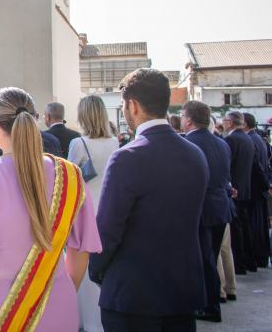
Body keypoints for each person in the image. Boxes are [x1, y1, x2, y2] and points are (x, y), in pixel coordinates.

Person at [0, 87, 100, 331]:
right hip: (55, 302)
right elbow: (80, 252)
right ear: (34, 121)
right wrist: (53, 290)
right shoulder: (70, 176)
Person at [89, 69, 208, 332]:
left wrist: (96, 271)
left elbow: (107, 231)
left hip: (133, 298)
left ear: (132, 105)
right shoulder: (195, 154)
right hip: (182, 292)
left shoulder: (128, 157)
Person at [67, 95, 119, 332]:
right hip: (108, 208)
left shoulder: (79, 144)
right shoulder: (115, 142)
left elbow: (69, 181)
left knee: (83, 270)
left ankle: (85, 321)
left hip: (85, 211)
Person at [182, 101, 234, 323]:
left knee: (203, 259)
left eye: (183, 115)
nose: (182, 119)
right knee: (209, 257)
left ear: (190, 119)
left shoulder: (187, 144)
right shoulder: (221, 143)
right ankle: (211, 302)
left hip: (201, 208)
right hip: (220, 206)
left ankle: (208, 306)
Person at [223, 110, 257, 274]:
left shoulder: (231, 139)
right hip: (245, 189)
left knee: (236, 230)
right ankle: (249, 261)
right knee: (244, 226)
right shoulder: (248, 139)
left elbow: (227, 165)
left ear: (230, 123)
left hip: (235, 190)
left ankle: (240, 264)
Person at [242, 113, 272, 269]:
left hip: (253, 189)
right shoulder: (259, 140)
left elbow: (256, 167)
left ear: (245, 124)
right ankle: (260, 256)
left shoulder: (250, 140)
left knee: (254, 227)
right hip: (259, 189)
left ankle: (256, 256)